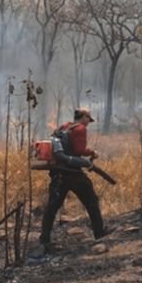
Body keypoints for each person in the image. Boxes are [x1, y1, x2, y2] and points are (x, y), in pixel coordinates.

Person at [38, 108, 110, 253]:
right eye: (88, 119)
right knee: (91, 201)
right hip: (73, 173)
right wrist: (92, 153)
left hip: (59, 173)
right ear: (83, 117)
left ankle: (44, 239)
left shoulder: (64, 126)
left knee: (52, 207)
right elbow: (78, 150)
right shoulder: (80, 129)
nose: (88, 123)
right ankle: (99, 233)